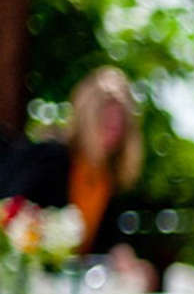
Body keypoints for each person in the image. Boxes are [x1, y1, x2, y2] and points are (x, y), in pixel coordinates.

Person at [0, 67, 150, 277]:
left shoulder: (106, 177)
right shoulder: (50, 161)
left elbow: (108, 240)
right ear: (88, 118)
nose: (112, 133)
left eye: (119, 125)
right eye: (106, 122)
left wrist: (124, 258)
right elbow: (13, 214)